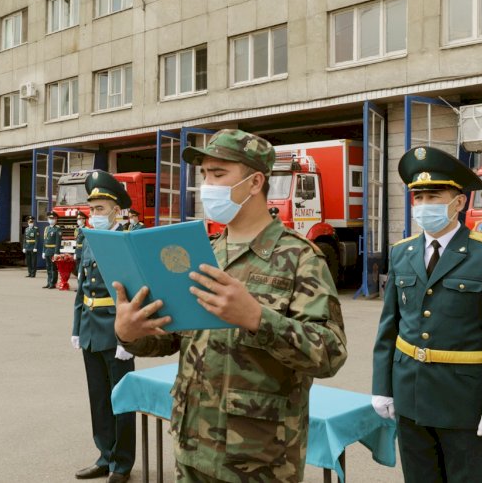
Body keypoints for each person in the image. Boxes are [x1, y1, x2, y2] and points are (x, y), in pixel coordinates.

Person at [113, 129, 348, 483]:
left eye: (219, 174)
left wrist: (257, 318)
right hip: (192, 443)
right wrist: (130, 333)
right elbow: (174, 336)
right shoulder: (204, 252)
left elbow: (330, 353)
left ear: (255, 183)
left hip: (259, 458)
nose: (208, 185)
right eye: (205, 174)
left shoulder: (301, 257)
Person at [372, 146, 482, 483]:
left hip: (463, 404)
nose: (425, 206)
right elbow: (389, 328)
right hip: (410, 397)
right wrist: (382, 386)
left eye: (435, 196)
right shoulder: (402, 253)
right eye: (419, 197)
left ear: (459, 201)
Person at [72, 171, 136, 483]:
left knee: (120, 399)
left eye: (99, 209)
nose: (93, 214)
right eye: (91, 208)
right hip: (90, 329)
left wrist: (129, 338)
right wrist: (76, 328)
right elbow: (82, 289)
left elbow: (137, 291)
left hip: (117, 331)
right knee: (98, 399)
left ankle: (121, 464)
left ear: (115, 209)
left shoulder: (127, 240)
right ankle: (104, 456)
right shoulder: (89, 240)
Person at [43, 211, 62, 289]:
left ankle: (53, 283)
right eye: (50, 218)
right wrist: (43, 251)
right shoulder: (47, 228)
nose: (51, 220)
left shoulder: (57, 229)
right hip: (47, 250)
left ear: (56, 219)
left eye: (53, 218)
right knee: (48, 267)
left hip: (53, 251)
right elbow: (45, 240)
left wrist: (56, 252)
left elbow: (58, 242)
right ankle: (48, 282)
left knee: (53, 268)